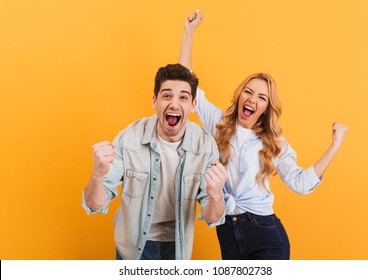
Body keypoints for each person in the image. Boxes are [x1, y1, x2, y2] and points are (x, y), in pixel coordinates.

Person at [179, 11, 349, 259]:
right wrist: (189, 32)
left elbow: (300, 183)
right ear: (239, 96)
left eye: (261, 97)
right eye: (248, 92)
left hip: (265, 235)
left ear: (266, 108)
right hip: (227, 232)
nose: (252, 100)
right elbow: (185, 84)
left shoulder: (274, 144)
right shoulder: (218, 123)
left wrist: (335, 145)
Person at [82, 63, 227, 260]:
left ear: (193, 105)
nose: (174, 104)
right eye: (167, 95)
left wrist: (215, 194)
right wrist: (98, 175)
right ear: (154, 101)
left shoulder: (205, 145)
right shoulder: (130, 138)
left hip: (178, 249)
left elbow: (213, 218)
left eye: (183, 97)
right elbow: (95, 204)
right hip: (132, 251)